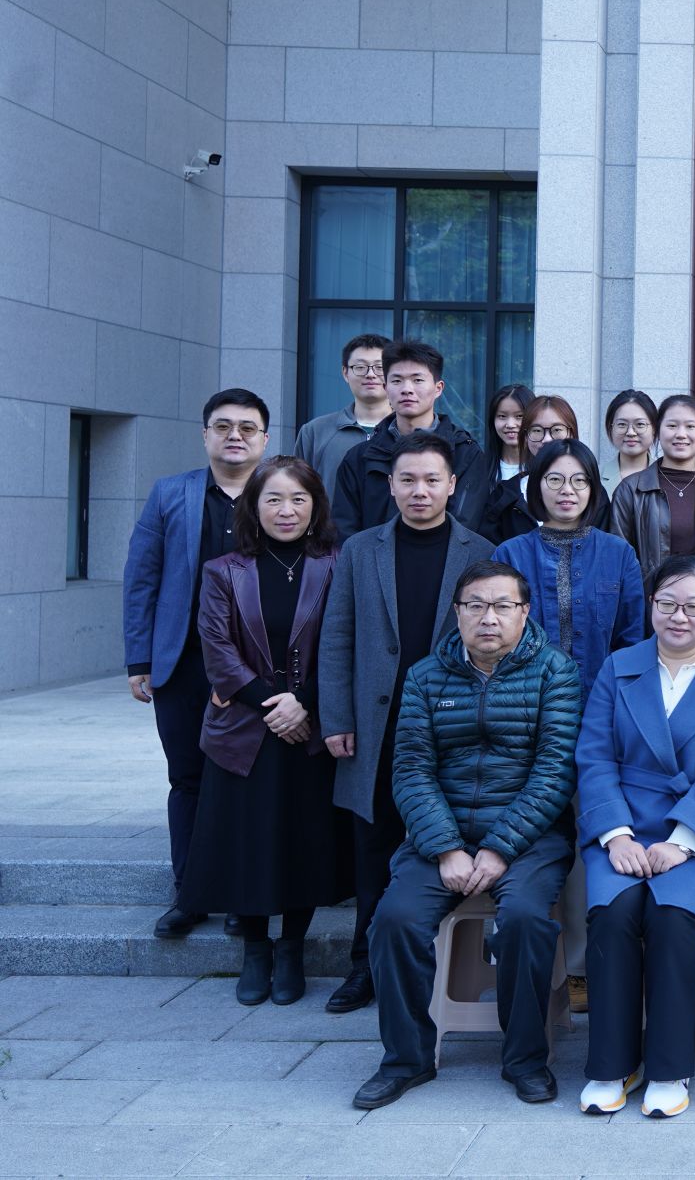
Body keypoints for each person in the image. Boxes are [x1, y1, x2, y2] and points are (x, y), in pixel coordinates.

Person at [351, 562, 581, 1111]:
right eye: (475, 605)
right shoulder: (426, 676)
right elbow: (411, 769)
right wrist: (446, 848)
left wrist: (500, 848)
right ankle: (405, 1059)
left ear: (525, 612)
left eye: (503, 606)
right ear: (457, 613)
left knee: (524, 920)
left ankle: (525, 1059)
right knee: (394, 920)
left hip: (528, 838)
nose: (488, 618)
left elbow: (555, 770)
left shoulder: (556, 672)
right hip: (441, 836)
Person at [319, 430, 496, 1014]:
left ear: (452, 485)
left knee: (440, 840)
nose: (420, 490)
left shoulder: (481, 552)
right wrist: (336, 717)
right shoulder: (360, 550)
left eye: (431, 480)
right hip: (376, 725)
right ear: (391, 486)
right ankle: (363, 966)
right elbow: (337, 636)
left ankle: (437, 967)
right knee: (372, 847)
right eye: (408, 480)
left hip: (451, 727)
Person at [576, 555, 695, 1119]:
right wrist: (616, 836)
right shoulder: (619, 666)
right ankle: (612, 1064)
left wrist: (682, 841)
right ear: (650, 605)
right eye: (667, 604)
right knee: (613, 913)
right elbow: (594, 755)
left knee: (671, 915)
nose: (680, 617)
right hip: (625, 825)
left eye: (693, 606)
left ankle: (669, 1065)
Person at [182, 456, 346, 1007]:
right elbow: (216, 649)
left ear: (316, 507)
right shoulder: (223, 570)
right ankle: (255, 950)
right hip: (244, 729)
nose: (286, 510)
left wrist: (305, 703)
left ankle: (292, 949)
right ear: (253, 506)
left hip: (309, 728)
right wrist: (272, 705)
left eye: (299, 499)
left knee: (303, 842)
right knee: (246, 843)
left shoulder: (337, 564)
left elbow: (343, 644)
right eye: (273, 499)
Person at [496, 437, 649, 1012]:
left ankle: (583, 968)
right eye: (555, 480)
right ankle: (527, 961)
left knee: (592, 841)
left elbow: (632, 641)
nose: (567, 491)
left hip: (599, 722)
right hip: (523, 720)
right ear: (536, 486)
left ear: (593, 489)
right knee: (528, 836)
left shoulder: (618, 553)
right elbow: (497, 638)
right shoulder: (510, 552)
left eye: (579, 481)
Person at [124, 387, 272, 939]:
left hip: (256, 667)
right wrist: (139, 658)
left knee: (242, 780)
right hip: (183, 661)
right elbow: (142, 577)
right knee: (187, 778)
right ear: (205, 434)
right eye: (223, 426)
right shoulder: (171, 493)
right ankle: (188, 893)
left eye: (247, 427)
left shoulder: (279, 493)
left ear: (264, 438)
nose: (235, 436)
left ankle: (239, 894)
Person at [332, 341, 490, 540]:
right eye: (397, 380)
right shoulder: (360, 457)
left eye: (417, 380)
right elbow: (345, 528)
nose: (407, 389)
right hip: (372, 558)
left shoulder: (465, 453)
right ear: (385, 387)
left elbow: (466, 524)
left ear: (438, 388)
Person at [609, 392, 695, 581]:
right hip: (651, 595)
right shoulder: (631, 490)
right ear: (657, 430)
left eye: (690, 426)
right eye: (672, 426)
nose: (681, 434)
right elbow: (618, 558)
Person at [486, 394, 610, 543]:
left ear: (572, 433)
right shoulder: (504, 495)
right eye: (537, 430)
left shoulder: (594, 493)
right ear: (525, 436)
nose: (546, 439)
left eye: (556, 430)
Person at [295, 333, 392, 496]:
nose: (370, 374)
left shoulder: (407, 429)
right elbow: (298, 491)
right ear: (345, 373)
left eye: (380, 367)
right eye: (360, 367)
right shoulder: (315, 432)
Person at [603, 388, 658, 487]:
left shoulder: (667, 478)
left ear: (654, 428)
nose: (630, 433)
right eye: (622, 424)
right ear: (611, 427)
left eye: (640, 424)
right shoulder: (594, 476)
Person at [485, 383, 535, 483]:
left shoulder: (546, 469)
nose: (510, 425)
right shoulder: (480, 468)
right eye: (502, 416)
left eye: (519, 416)